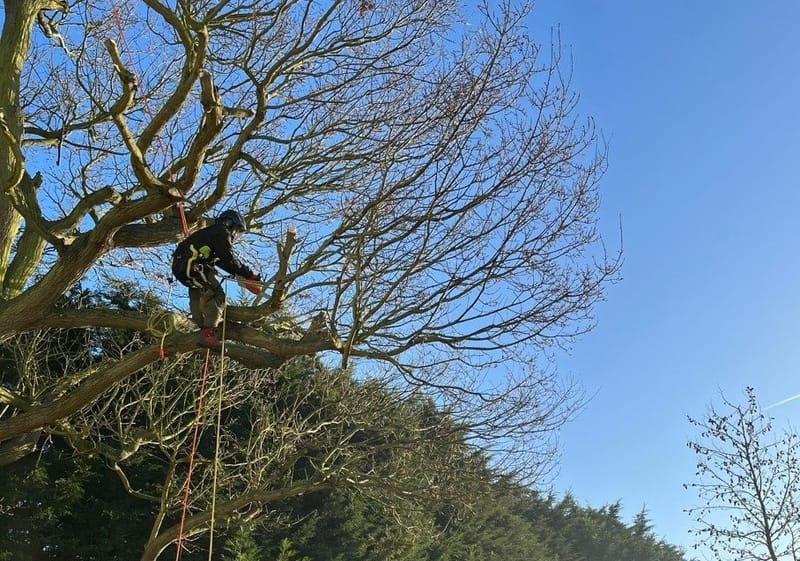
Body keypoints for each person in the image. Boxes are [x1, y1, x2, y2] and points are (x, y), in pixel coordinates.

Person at [172, 209, 262, 347]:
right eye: (236, 231)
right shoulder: (221, 233)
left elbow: (221, 260)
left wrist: (239, 275)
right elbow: (228, 258)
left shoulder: (210, 234)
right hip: (195, 266)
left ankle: (202, 326)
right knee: (217, 295)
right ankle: (208, 332)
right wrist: (248, 274)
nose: (235, 235)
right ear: (231, 224)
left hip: (183, 267)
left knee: (197, 292)